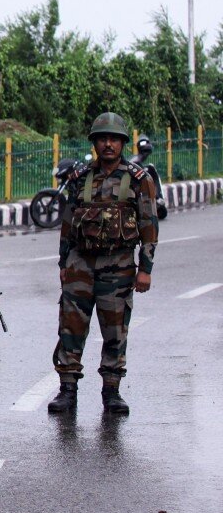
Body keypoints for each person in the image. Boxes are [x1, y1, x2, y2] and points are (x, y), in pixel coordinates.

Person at [47, 112, 158, 415]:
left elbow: (149, 226)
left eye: (114, 139)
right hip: (80, 264)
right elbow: (68, 223)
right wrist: (63, 262)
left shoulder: (138, 180)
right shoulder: (80, 178)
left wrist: (145, 269)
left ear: (122, 143)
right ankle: (67, 391)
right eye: (102, 139)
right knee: (70, 327)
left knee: (115, 330)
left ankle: (112, 392)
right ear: (94, 142)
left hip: (118, 265)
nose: (108, 144)